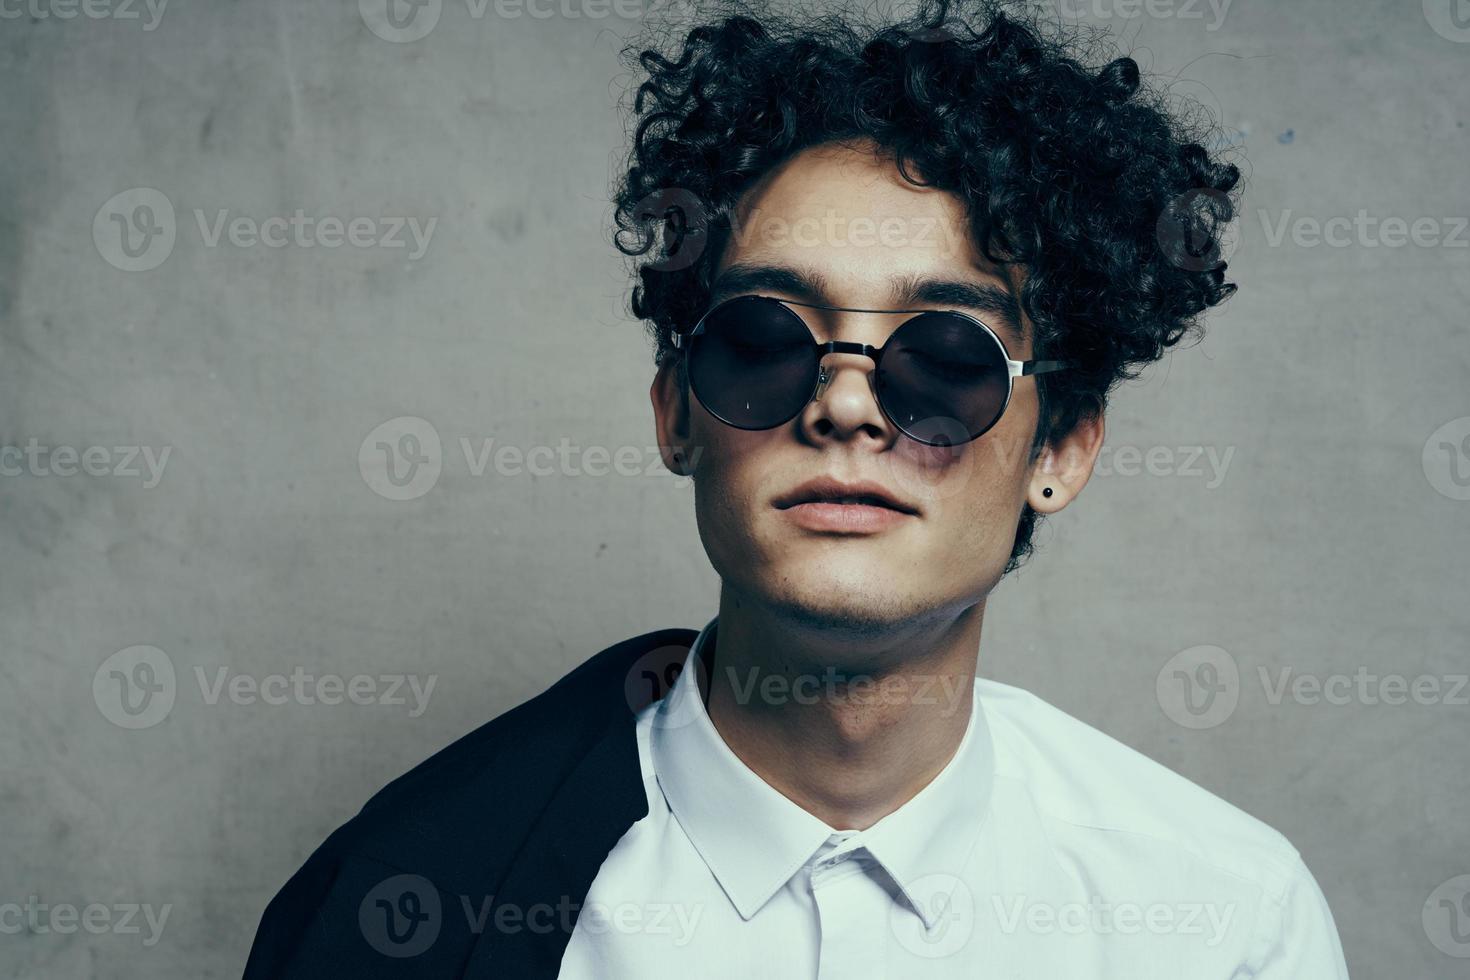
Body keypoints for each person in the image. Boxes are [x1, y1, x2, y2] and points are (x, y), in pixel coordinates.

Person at [244, 1, 1351, 976]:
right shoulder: (412, 901)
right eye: (767, 340)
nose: (846, 406)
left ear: (1059, 447)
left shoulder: (1224, 921)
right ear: (676, 411)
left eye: (945, 357)